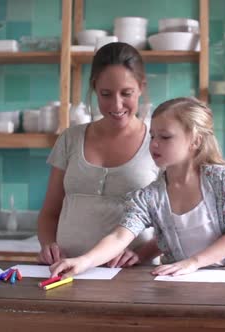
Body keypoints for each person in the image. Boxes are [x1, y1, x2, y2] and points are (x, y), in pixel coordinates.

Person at [50, 97, 225, 278]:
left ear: (195, 140)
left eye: (165, 137)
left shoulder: (220, 180)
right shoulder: (150, 196)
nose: (154, 144)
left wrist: (193, 263)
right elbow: (120, 236)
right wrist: (84, 261)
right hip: (181, 286)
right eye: (152, 136)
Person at [37, 42, 160, 267]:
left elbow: (178, 220)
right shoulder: (70, 138)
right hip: (66, 270)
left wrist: (143, 254)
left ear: (141, 87)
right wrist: (48, 245)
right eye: (106, 94)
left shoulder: (157, 141)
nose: (117, 104)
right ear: (95, 88)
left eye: (126, 93)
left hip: (132, 273)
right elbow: (49, 212)